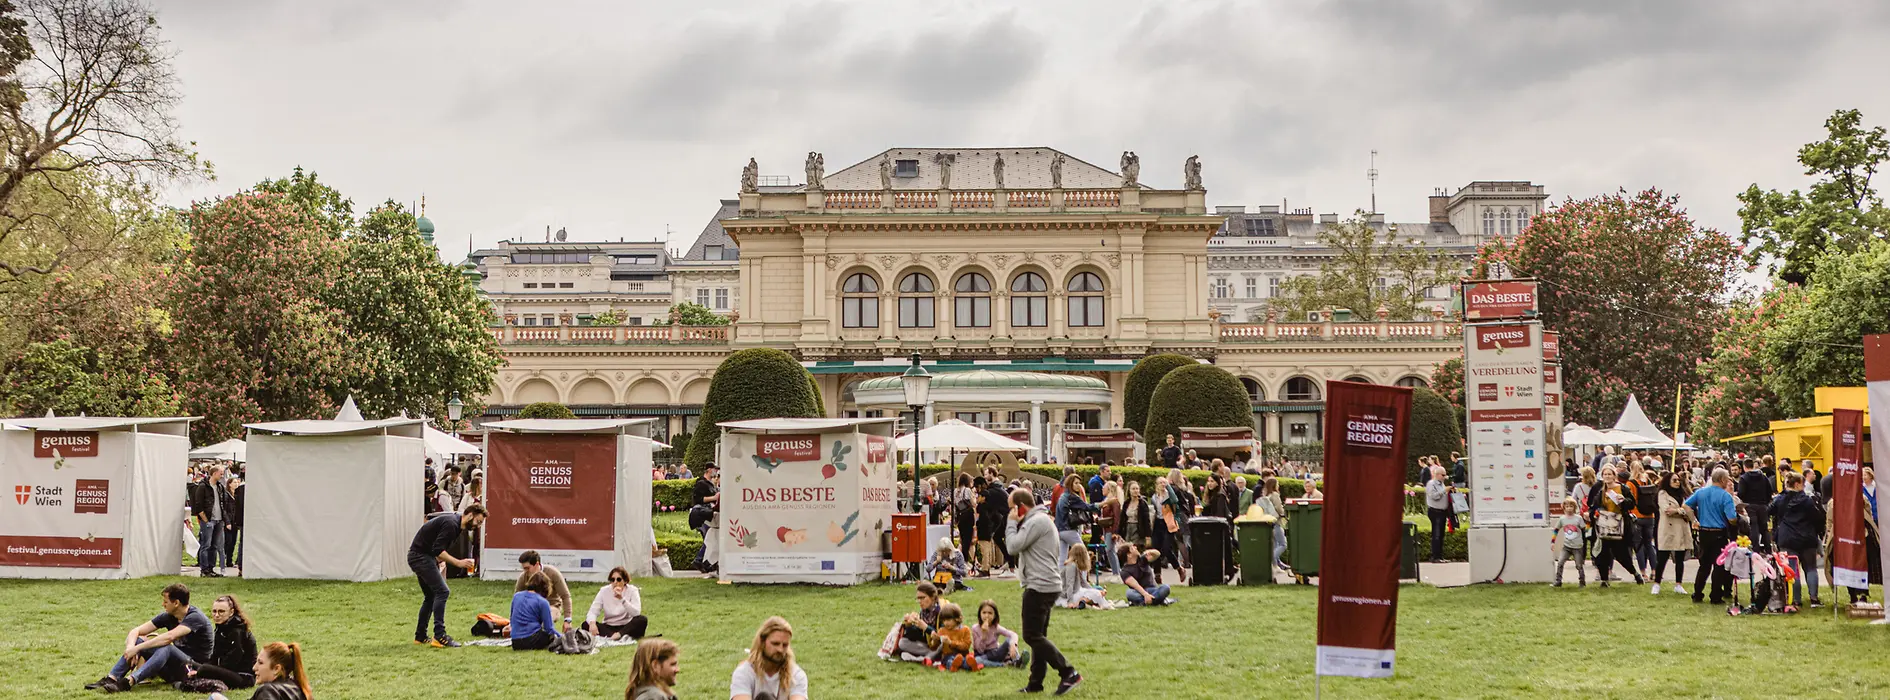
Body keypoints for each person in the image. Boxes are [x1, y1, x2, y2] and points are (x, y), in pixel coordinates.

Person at [1006, 487, 1082, 694]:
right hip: (1046, 583)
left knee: (1031, 635)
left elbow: (1012, 546)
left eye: (1011, 509)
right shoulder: (1040, 520)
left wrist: (1011, 523)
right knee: (1039, 636)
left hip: (1040, 585)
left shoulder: (1036, 521)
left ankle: (1068, 672)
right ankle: (1035, 683)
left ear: (1020, 507)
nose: (1010, 514)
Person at [87, 583, 215, 692]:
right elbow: (136, 631)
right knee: (139, 639)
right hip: (173, 669)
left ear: (176, 603)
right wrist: (131, 647)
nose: (163, 605)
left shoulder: (195, 617)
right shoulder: (168, 616)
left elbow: (169, 637)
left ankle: (129, 682)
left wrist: (138, 648)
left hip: (192, 670)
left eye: (165, 602)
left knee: (166, 648)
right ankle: (112, 678)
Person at [408, 503, 485, 647]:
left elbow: (435, 547)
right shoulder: (451, 524)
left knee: (431, 596)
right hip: (420, 557)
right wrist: (458, 563)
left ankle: (420, 636)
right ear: (470, 515)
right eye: (478, 522)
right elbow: (438, 549)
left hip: (422, 556)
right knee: (442, 591)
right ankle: (440, 636)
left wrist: (438, 562)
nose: (478, 526)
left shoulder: (455, 525)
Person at [1770, 471, 1826, 608]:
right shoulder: (1808, 500)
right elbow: (1819, 518)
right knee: (1811, 568)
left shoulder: (1780, 499)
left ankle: (1796, 599)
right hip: (1807, 538)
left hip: (1787, 538)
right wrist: (1818, 531)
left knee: (1792, 570)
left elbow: (1769, 511)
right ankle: (1814, 598)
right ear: (1797, 484)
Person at [1686, 468, 1740, 604]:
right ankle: (1715, 596)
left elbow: (1686, 506)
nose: (1728, 481)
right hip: (1718, 533)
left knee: (1704, 565)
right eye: (1727, 478)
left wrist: (1694, 520)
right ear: (1722, 480)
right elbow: (1732, 518)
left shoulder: (1701, 492)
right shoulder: (1725, 496)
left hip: (1704, 532)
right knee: (1718, 566)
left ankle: (1697, 593)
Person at [1585, 466, 1642, 587]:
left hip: (1619, 526)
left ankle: (1635, 574)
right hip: (1604, 526)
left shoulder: (1623, 488)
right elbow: (1594, 506)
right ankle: (1604, 580)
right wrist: (1592, 514)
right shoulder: (1601, 490)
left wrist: (1623, 500)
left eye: (1609, 474)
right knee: (1601, 555)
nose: (1607, 476)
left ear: (1614, 476)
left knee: (1621, 555)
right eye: (1605, 474)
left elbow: (1632, 504)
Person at [188, 594, 259, 690]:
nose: (216, 615)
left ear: (231, 612)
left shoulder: (237, 631)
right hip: (228, 671)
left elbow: (233, 660)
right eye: (214, 611)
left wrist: (208, 671)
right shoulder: (220, 629)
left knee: (204, 669)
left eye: (221, 611)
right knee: (190, 663)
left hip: (243, 677)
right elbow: (215, 656)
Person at [731, 616, 807, 700]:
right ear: (762, 642)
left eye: (785, 645)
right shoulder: (744, 672)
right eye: (775, 644)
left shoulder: (796, 675)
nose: (780, 650)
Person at [209, 641, 313, 700]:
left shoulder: (268, 691)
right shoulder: (300, 687)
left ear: (276, 669)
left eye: (260, 663)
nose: (254, 667)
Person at [515, 550, 573, 635]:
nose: (525, 571)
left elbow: (565, 596)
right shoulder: (523, 577)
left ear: (537, 564)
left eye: (527, 568)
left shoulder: (553, 573)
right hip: (531, 609)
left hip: (552, 607)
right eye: (523, 568)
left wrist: (567, 620)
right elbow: (517, 601)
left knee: (544, 621)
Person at [1655, 471, 1694, 595]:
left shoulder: (1683, 495)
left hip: (1681, 529)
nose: (1677, 483)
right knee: (1662, 558)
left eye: (1678, 480)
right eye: (1674, 480)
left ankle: (1678, 584)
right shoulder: (1662, 493)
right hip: (1668, 529)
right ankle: (1657, 583)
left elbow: (1690, 511)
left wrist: (1679, 511)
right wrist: (1682, 511)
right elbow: (1667, 510)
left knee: (1680, 558)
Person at [586, 566, 650, 640]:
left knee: (642, 620)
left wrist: (622, 599)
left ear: (625, 581)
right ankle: (612, 636)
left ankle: (619, 635)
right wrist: (592, 623)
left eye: (618, 579)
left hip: (626, 626)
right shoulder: (604, 591)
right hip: (609, 626)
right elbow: (593, 611)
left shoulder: (632, 590)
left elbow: (636, 613)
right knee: (586, 624)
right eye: (612, 580)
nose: (615, 582)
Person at [192, 465, 232, 577]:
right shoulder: (203, 486)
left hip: (219, 520)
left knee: (214, 545)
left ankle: (211, 568)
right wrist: (205, 519)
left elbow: (223, 503)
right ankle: (204, 570)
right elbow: (198, 505)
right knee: (206, 544)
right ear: (214, 473)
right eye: (221, 473)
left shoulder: (219, 487)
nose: (222, 475)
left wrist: (224, 519)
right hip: (209, 520)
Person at [510, 571, 563, 651]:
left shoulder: (517, 596)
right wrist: (562, 637)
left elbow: (512, 618)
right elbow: (549, 628)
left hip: (515, 642)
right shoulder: (542, 602)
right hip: (532, 640)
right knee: (551, 636)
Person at [923, 602, 979, 671]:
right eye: (944, 620)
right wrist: (934, 640)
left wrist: (950, 643)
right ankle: (953, 666)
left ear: (957, 618)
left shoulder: (965, 630)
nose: (945, 623)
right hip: (947, 655)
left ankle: (971, 665)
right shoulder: (942, 631)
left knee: (965, 660)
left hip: (962, 655)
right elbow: (934, 647)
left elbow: (966, 646)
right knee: (949, 660)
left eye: (948, 620)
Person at [1057, 542, 1112, 609]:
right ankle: (1080, 603)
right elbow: (1069, 585)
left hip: (1075, 592)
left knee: (1097, 591)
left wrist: (1095, 590)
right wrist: (1070, 602)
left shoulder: (1075, 565)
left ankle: (1084, 602)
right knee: (1096, 594)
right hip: (1067, 596)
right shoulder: (1071, 566)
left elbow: (1083, 583)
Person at [1738, 458, 1777, 550]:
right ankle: (1768, 549)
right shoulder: (1763, 477)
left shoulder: (1744, 478)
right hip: (1763, 505)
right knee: (1764, 528)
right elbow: (1769, 491)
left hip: (1749, 505)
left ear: (1744, 467)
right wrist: (1766, 502)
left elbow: (1741, 493)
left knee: (1754, 527)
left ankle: (1755, 549)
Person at [1053, 474, 1098, 553]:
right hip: (1069, 529)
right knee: (1083, 554)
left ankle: (1069, 565)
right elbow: (1087, 507)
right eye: (1076, 483)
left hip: (1059, 530)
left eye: (1079, 483)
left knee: (1062, 558)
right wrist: (1103, 503)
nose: (1079, 486)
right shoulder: (1072, 497)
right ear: (1070, 484)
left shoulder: (1063, 495)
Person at [971, 600, 1022, 669]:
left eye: (990, 613)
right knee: (977, 660)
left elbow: (1013, 634)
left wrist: (1013, 644)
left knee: (1009, 641)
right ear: (980, 614)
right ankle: (1003, 665)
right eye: (984, 612)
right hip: (983, 655)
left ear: (995, 615)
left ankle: (1017, 660)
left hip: (995, 653)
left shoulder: (996, 627)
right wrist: (984, 635)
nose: (986, 615)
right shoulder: (975, 628)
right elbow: (980, 650)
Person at [979, 475, 1011, 574]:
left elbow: (991, 509)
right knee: (999, 537)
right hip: (1006, 515)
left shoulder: (991, 492)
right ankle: (1010, 561)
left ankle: (1011, 563)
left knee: (1003, 538)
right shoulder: (997, 490)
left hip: (1007, 516)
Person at [1552, 498, 1587, 587]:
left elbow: (1584, 531)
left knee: (1579, 565)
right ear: (1564, 508)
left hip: (1577, 546)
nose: (1569, 508)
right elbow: (1556, 530)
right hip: (1567, 546)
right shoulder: (1562, 519)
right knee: (1560, 562)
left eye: (1571, 506)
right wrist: (1553, 542)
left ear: (1574, 507)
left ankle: (1582, 582)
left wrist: (1584, 544)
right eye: (1567, 506)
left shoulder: (1578, 518)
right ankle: (1558, 581)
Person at [1257, 477, 1287, 572]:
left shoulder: (1265, 495)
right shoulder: (1275, 495)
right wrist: (1284, 514)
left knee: (1274, 544)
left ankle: (1275, 566)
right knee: (1283, 544)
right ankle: (1269, 560)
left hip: (1268, 522)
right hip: (1276, 522)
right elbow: (1279, 508)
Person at [1424, 465, 1451, 563]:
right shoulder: (1431, 484)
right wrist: (1444, 491)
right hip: (1435, 511)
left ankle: (1440, 556)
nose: (1444, 477)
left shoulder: (1441, 484)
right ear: (1437, 474)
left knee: (1441, 534)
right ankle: (1435, 557)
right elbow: (1434, 496)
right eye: (1443, 475)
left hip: (1442, 511)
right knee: (1436, 534)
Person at [1119, 480, 1152, 555]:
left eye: (1137, 489)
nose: (1135, 491)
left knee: (1136, 549)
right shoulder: (1126, 503)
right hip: (1128, 528)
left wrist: (1148, 536)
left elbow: (1147, 521)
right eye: (1133, 489)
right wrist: (1119, 533)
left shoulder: (1142, 503)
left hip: (1138, 529)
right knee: (1127, 550)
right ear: (1129, 490)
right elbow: (1122, 519)